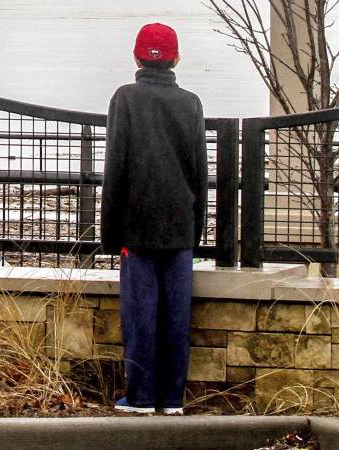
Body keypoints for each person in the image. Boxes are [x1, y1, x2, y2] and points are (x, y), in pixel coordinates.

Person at [100, 22, 209, 417]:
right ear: (176, 59)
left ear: (136, 56)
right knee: (177, 316)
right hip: (180, 227)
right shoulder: (191, 103)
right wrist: (197, 231)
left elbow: (116, 169)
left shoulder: (125, 99)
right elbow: (200, 172)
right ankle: (172, 398)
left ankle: (142, 397)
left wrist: (110, 234)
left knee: (140, 314)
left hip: (137, 225)